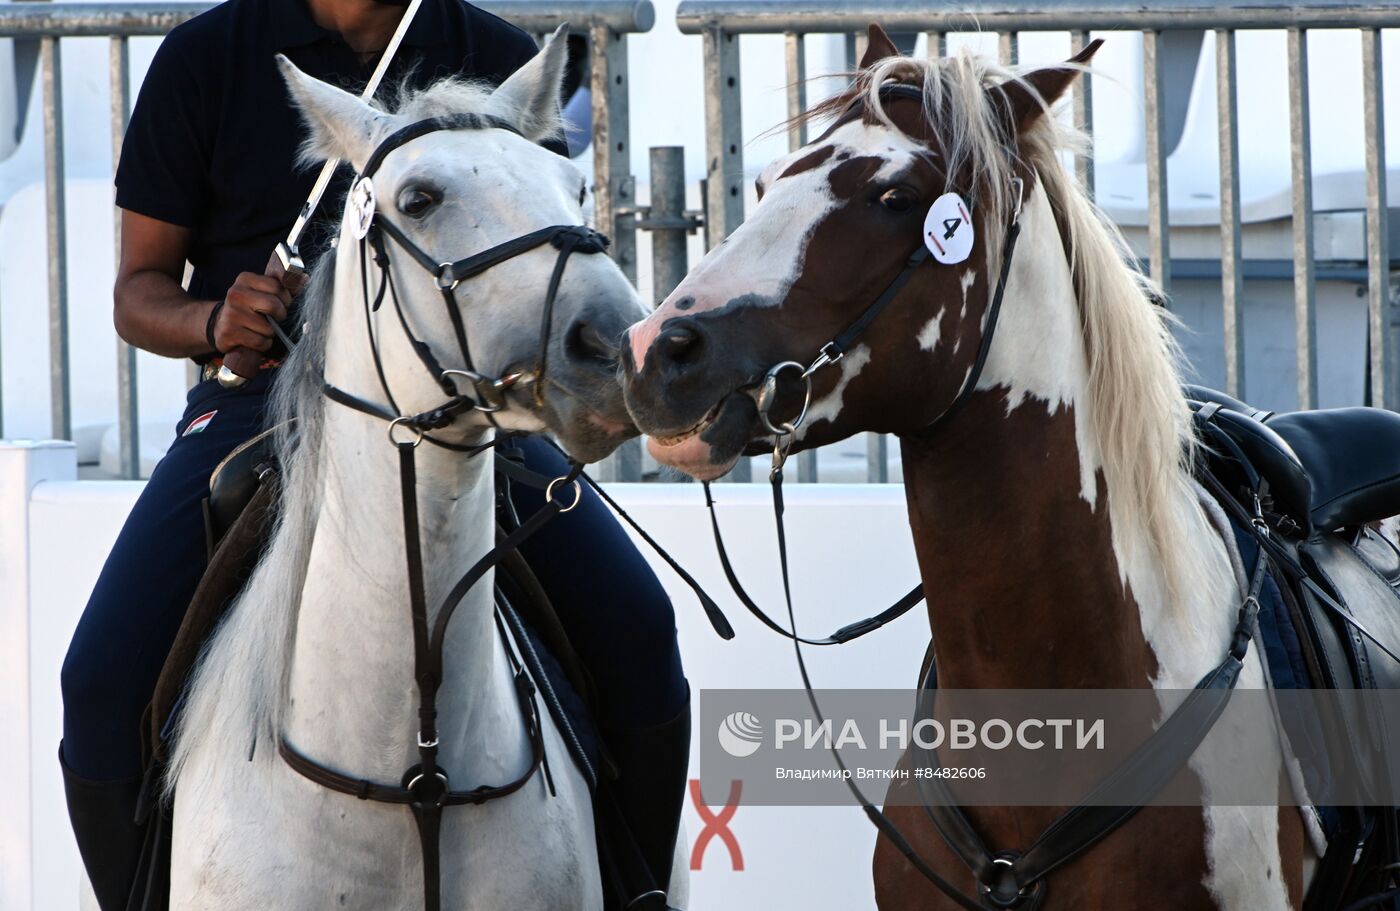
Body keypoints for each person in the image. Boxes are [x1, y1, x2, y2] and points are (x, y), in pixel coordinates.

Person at [57, 1, 690, 909]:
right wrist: (211, 319)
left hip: (480, 409)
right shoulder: (205, 56)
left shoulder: (495, 51)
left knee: (639, 630)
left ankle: (638, 892)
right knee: (102, 679)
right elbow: (136, 292)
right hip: (257, 406)